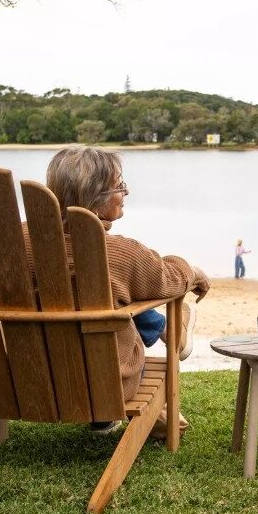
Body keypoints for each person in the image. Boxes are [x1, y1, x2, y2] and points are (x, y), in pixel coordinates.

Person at [25, 145, 210, 434]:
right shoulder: (119, 252)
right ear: (96, 198)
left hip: (28, 377)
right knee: (119, 299)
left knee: (102, 294)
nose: (126, 193)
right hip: (107, 382)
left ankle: (105, 418)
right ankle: (173, 335)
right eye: (119, 186)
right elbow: (170, 279)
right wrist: (195, 272)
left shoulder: (16, 241)